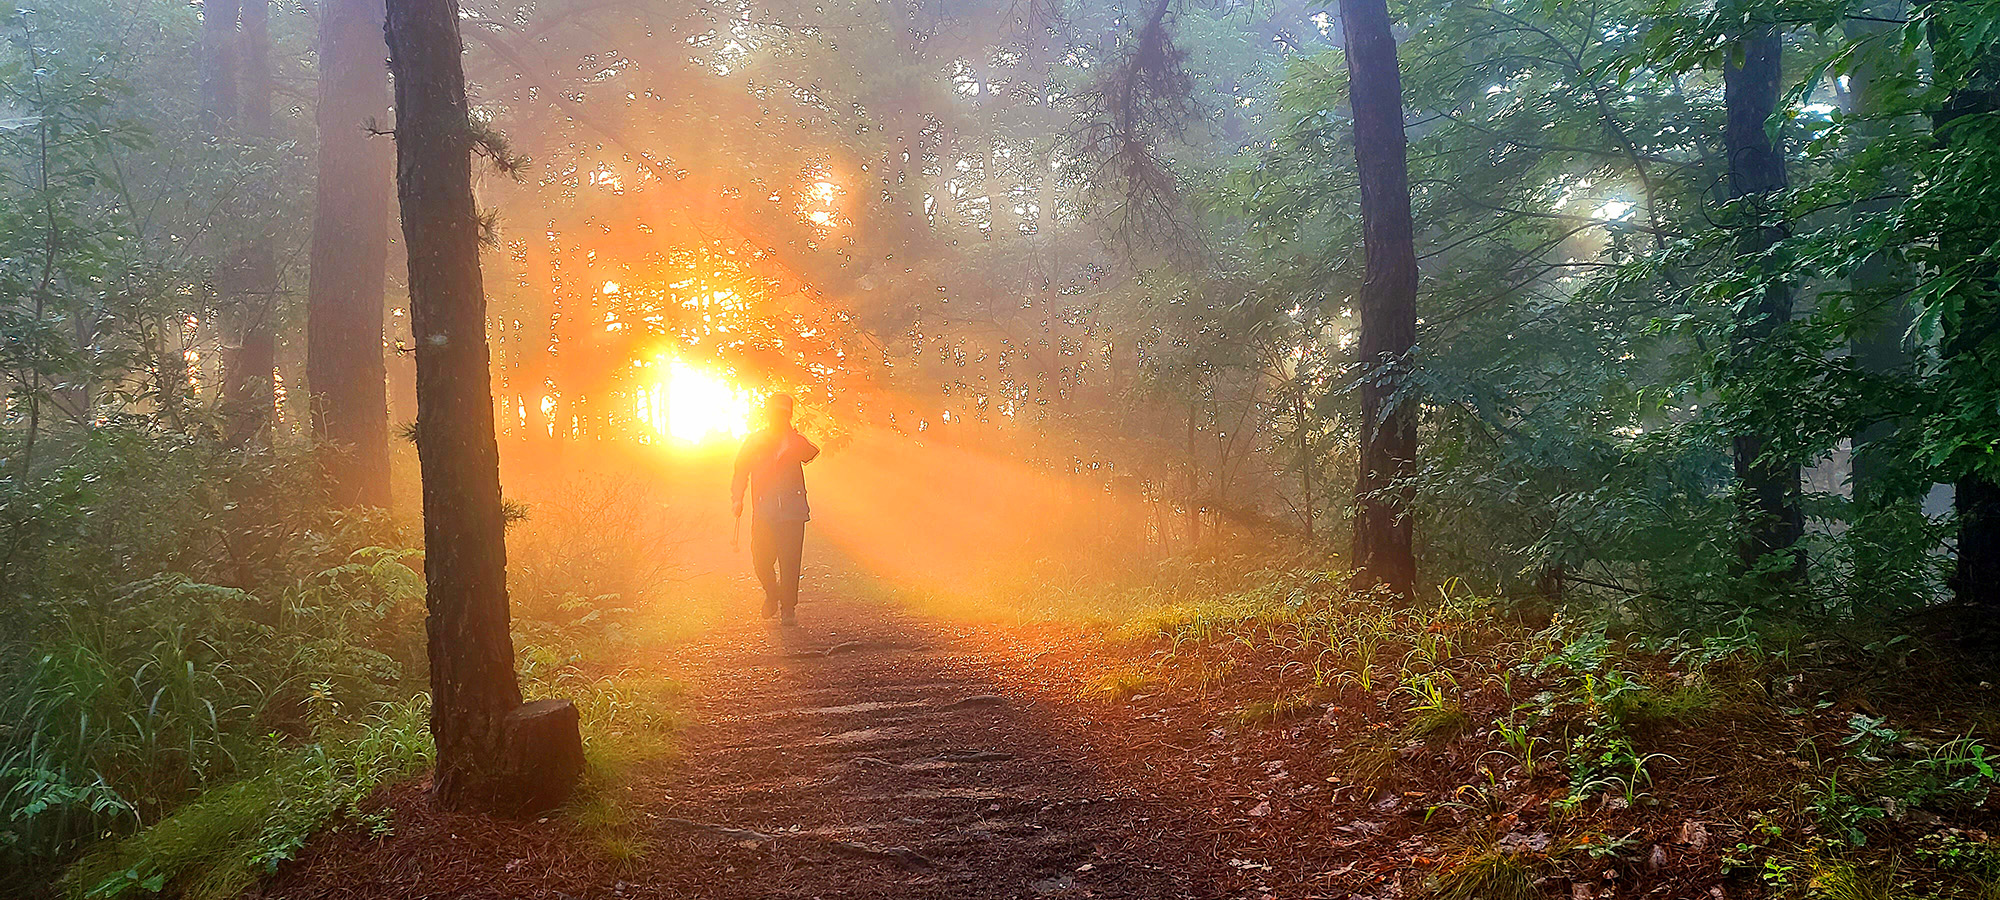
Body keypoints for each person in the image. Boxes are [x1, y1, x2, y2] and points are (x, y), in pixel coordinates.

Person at [731, 393, 819, 625]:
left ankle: (788, 609)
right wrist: (737, 498)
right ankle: (772, 594)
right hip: (764, 510)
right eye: (775, 413)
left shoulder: (796, 441)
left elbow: (812, 452)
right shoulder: (755, 441)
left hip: (793, 511)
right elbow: (741, 470)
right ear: (768, 415)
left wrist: (793, 437)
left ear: (788, 416)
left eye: (783, 413)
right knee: (761, 559)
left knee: (790, 561)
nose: (779, 418)